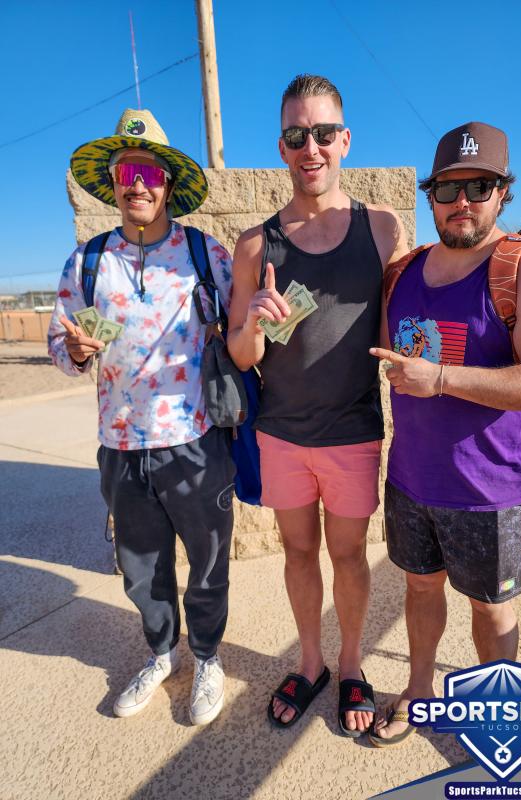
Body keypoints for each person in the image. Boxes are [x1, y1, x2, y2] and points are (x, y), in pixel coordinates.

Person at [368, 121, 521, 746]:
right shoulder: (401, 274)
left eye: (480, 186)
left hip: (487, 490)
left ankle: (499, 712)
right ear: (430, 195)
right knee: (419, 588)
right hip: (410, 478)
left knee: (491, 608)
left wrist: (440, 380)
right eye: (449, 189)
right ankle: (419, 690)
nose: (463, 202)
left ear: (502, 193)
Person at [227, 74, 408, 736]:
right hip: (281, 435)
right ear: (282, 146)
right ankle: (311, 664)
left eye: (324, 133)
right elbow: (241, 354)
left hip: (354, 433)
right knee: (297, 554)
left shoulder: (384, 231)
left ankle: (353, 664)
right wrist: (251, 318)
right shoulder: (255, 244)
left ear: (345, 140)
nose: (312, 148)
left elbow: (408, 328)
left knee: (351, 556)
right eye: (297, 135)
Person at [48, 108, 236, 726]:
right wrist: (72, 350)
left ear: (168, 183)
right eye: (127, 170)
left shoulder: (207, 254)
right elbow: (62, 340)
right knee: (140, 565)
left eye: (150, 172)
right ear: (113, 180)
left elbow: (249, 327)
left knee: (207, 560)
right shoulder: (89, 262)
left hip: (196, 441)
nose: (138, 183)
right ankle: (162, 654)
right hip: (120, 444)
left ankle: (206, 657)